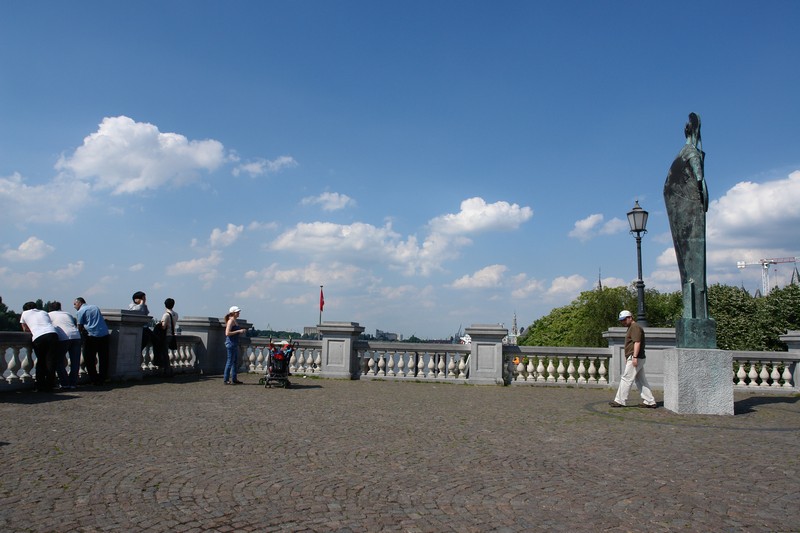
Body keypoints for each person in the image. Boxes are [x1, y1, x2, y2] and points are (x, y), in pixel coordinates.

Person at [663, 112, 709, 320]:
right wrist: (704, 196)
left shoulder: (681, 153)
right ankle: (698, 313)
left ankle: (694, 311)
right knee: (694, 268)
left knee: (687, 268)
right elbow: (699, 179)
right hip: (690, 210)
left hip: (679, 208)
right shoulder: (691, 152)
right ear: (696, 131)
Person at [609, 310, 657, 408]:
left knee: (626, 378)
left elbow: (637, 342)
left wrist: (634, 357)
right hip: (636, 357)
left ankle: (619, 400)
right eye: (621, 320)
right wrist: (629, 357)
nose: (622, 322)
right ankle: (650, 401)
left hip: (636, 357)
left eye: (624, 319)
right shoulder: (632, 327)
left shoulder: (635, 327)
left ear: (630, 317)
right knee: (641, 380)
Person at [20, 302, 60, 392]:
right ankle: (50, 384)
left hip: (39, 336)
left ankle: (40, 384)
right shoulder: (43, 312)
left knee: (41, 361)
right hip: (52, 334)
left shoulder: (24, 313)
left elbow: (25, 329)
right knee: (51, 360)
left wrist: (34, 329)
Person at [74, 297, 110, 386]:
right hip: (104, 334)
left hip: (91, 336)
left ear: (79, 303)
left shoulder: (80, 311)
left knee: (89, 359)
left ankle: (94, 379)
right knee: (103, 358)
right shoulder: (95, 307)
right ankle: (102, 378)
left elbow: (79, 327)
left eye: (75, 304)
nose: (74, 306)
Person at [48, 301, 83, 389]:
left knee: (58, 361)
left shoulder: (49, 315)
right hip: (76, 336)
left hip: (64, 337)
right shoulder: (67, 314)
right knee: (75, 362)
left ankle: (64, 383)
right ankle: (73, 383)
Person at [152, 298, 178, 377]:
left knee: (164, 354)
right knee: (165, 353)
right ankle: (167, 370)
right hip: (172, 335)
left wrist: (158, 324)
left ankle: (167, 371)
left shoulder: (166, 315)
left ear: (165, 305)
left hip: (166, 336)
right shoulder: (176, 314)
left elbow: (163, 327)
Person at [223, 306, 247, 385]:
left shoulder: (234, 320)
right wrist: (239, 331)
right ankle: (226, 379)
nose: (239, 313)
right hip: (231, 343)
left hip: (234, 343)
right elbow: (227, 333)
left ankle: (234, 378)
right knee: (230, 362)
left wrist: (240, 331)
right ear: (233, 313)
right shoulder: (231, 321)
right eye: (237, 312)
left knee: (235, 362)